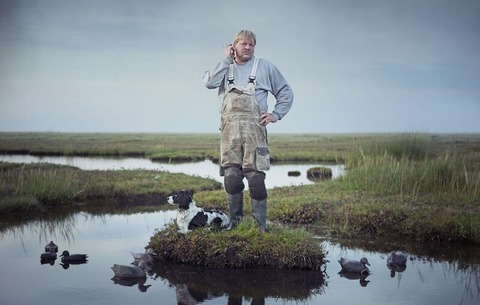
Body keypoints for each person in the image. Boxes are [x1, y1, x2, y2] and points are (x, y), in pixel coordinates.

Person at [203, 30, 293, 232]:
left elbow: (285, 91)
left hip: (255, 131)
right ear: (233, 46)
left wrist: (275, 114)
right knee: (232, 176)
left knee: (255, 177)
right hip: (229, 132)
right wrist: (226, 60)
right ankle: (235, 223)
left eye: (251, 44)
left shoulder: (264, 66)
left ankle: (259, 225)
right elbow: (209, 83)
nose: (248, 47)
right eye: (244, 44)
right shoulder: (225, 67)